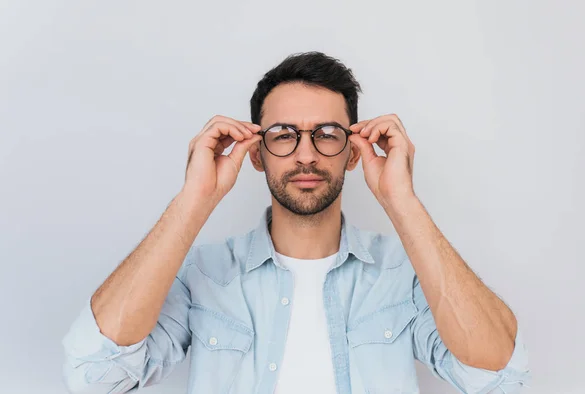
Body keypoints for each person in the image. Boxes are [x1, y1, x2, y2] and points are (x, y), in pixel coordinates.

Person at [62, 51, 530, 394]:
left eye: (327, 134)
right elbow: (94, 373)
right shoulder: (203, 276)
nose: (306, 155)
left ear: (352, 152)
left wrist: (402, 201)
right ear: (257, 155)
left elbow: (500, 374)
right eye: (284, 135)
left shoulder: (405, 277)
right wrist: (194, 199)